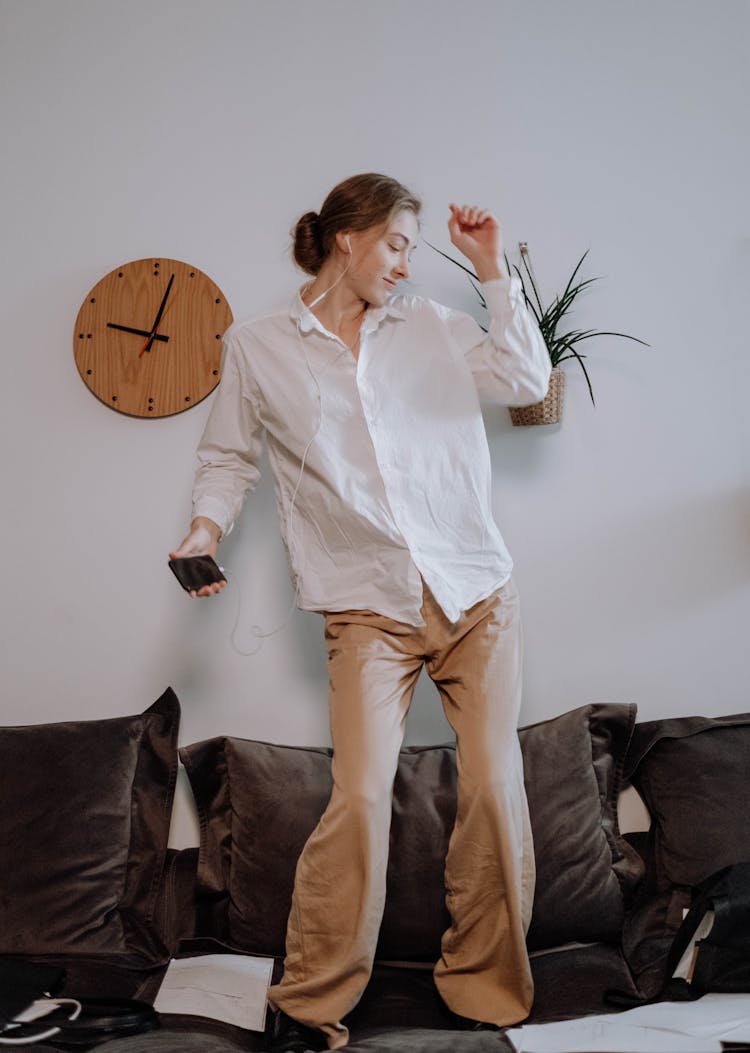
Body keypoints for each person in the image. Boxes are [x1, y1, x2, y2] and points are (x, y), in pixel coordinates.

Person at [170, 173, 551, 1052]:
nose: (406, 262)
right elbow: (227, 457)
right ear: (349, 238)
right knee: (359, 794)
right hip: (364, 605)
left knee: (495, 784)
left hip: (473, 591)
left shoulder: (432, 326)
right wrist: (202, 528)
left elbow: (527, 376)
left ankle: (486, 990)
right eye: (397, 244)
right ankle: (310, 1003)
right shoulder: (261, 346)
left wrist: (491, 268)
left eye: (413, 248)